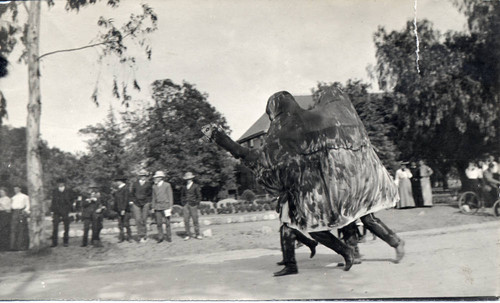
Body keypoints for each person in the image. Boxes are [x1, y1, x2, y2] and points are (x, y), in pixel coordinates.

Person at [201, 88, 404, 276]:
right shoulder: (319, 122)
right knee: (364, 218)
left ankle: (349, 251)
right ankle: (389, 243)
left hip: (322, 189)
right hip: (349, 182)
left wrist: (220, 138)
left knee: (315, 226)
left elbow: (253, 157)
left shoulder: (281, 133)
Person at [274, 197, 318, 276]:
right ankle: (310, 243)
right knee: (285, 228)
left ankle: (291, 266)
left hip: (291, 198)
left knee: (287, 228)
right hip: (287, 197)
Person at [130, 169, 152, 243]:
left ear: (146, 176)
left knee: (144, 219)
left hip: (145, 203)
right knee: (138, 219)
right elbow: (132, 193)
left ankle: (144, 235)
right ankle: (140, 236)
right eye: (141, 176)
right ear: (139, 176)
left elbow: (150, 194)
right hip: (136, 203)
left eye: (144, 176)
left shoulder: (148, 184)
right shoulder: (135, 184)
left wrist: (148, 202)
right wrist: (133, 201)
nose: (143, 177)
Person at [50, 179, 73, 247]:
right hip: (56, 211)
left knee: (66, 226)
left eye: (61, 183)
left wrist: (70, 208)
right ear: (57, 184)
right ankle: (54, 242)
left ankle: (65, 241)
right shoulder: (55, 191)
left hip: (65, 210)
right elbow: (53, 201)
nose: (60, 184)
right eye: (59, 183)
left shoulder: (68, 191)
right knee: (55, 226)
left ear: (64, 183)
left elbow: (72, 199)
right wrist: (52, 210)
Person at [151, 170, 173, 243]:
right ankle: (160, 237)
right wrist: (153, 207)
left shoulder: (167, 185)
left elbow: (170, 196)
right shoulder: (154, 186)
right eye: (155, 177)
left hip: (166, 205)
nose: (155, 178)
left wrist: (171, 206)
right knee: (159, 222)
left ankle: (169, 236)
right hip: (158, 206)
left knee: (167, 222)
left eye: (157, 177)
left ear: (160, 178)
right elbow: (153, 197)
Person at [180, 171, 202, 240]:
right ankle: (188, 234)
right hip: (186, 205)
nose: (188, 180)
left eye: (189, 179)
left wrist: (196, 203)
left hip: (193, 205)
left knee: (195, 220)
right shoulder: (184, 187)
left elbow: (199, 196)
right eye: (187, 179)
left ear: (192, 179)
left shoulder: (195, 186)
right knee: (186, 220)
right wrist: (183, 203)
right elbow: (182, 195)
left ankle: (197, 234)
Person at [10, 186, 30, 251]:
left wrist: (25, 211)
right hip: (14, 213)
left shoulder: (25, 196)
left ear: (20, 189)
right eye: (14, 189)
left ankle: (21, 246)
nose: (15, 190)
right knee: (14, 229)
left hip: (21, 212)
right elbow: (11, 206)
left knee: (22, 229)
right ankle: (13, 246)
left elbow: (28, 206)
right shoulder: (13, 197)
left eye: (17, 189)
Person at [113, 175, 132, 243]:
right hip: (119, 209)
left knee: (126, 223)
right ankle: (122, 237)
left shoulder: (125, 189)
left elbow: (126, 199)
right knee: (120, 224)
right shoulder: (118, 189)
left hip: (125, 209)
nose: (116, 182)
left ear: (120, 181)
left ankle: (129, 237)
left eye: (117, 181)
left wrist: (123, 209)